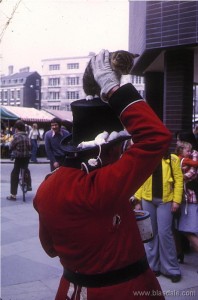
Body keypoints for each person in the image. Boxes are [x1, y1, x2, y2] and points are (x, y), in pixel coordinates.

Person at [33, 49, 171, 300]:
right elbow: (156, 138)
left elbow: (51, 249)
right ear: (107, 150)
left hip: (72, 290)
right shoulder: (102, 186)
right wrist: (113, 89)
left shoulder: (47, 187)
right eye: (121, 148)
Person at [134, 152, 183, 282]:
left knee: (165, 233)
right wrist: (137, 200)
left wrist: (176, 201)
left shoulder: (173, 159)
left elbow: (179, 180)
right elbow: (141, 178)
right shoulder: (147, 157)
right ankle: (152, 267)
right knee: (151, 234)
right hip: (147, 199)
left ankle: (171, 269)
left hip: (165, 200)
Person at [175, 138, 198, 253]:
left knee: (187, 230)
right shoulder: (181, 160)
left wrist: (178, 178)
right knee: (182, 229)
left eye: (190, 150)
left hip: (189, 199)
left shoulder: (184, 160)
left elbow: (192, 173)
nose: (190, 152)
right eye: (187, 150)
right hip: (184, 199)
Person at [7, 120, 32, 201]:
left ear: (17, 129)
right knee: (26, 169)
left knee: (15, 173)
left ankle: (13, 195)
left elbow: (10, 146)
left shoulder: (16, 137)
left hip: (18, 157)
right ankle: (28, 185)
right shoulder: (27, 137)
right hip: (27, 157)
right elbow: (30, 147)